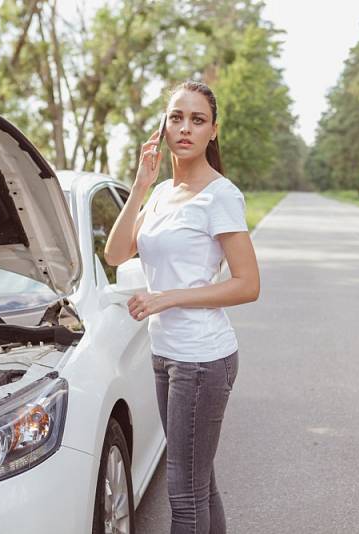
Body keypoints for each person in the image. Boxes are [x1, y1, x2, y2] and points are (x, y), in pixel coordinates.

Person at [104, 80, 260, 533]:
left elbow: (247, 284)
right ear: (163, 127)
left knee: (184, 497)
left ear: (213, 131)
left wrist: (167, 297)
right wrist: (139, 185)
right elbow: (115, 255)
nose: (185, 127)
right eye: (177, 117)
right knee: (200, 483)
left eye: (198, 119)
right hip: (166, 355)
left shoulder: (221, 195)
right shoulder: (159, 195)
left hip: (202, 358)